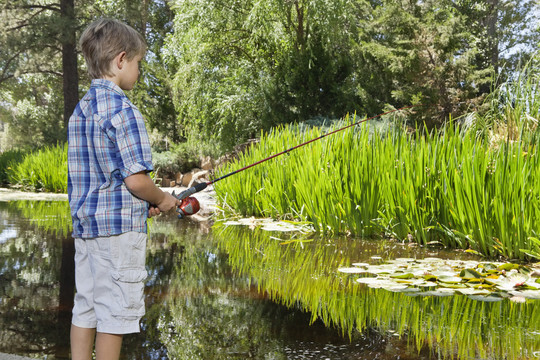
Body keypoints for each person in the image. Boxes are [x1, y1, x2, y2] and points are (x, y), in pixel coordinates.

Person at [67, 18, 180, 360]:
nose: (138, 71)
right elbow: (136, 180)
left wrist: (139, 202)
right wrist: (162, 199)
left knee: (85, 306)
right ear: (120, 60)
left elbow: (103, 178)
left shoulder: (80, 110)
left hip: (86, 230)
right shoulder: (124, 111)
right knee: (115, 313)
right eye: (138, 63)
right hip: (118, 235)